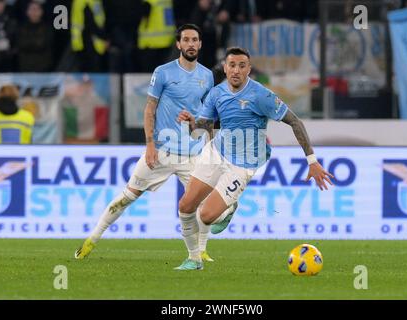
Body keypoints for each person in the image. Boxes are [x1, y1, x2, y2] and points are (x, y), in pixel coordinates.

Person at [74, 24, 236, 265]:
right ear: (178, 44)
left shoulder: (206, 76)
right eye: (186, 40)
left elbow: (206, 115)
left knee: (202, 203)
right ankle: (92, 239)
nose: (191, 44)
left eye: (195, 40)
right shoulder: (163, 72)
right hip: (161, 150)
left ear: (200, 44)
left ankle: (200, 251)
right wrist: (149, 145)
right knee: (128, 196)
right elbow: (150, 108)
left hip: (191, 153)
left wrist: (210, 145)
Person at [176, 47, 334, 270]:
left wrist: (312, 161)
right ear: (225, 68)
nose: (236, 70)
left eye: (242, 66)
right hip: (216, 152)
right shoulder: (216, 93)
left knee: (206, 216)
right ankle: (194, 259)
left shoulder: (261, 95)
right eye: (232, 65)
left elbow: (295, 122)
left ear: (249, 69)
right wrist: (191, 124)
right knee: (185, 205)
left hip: (243, 164)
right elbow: (203, 127)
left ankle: (228, 209)